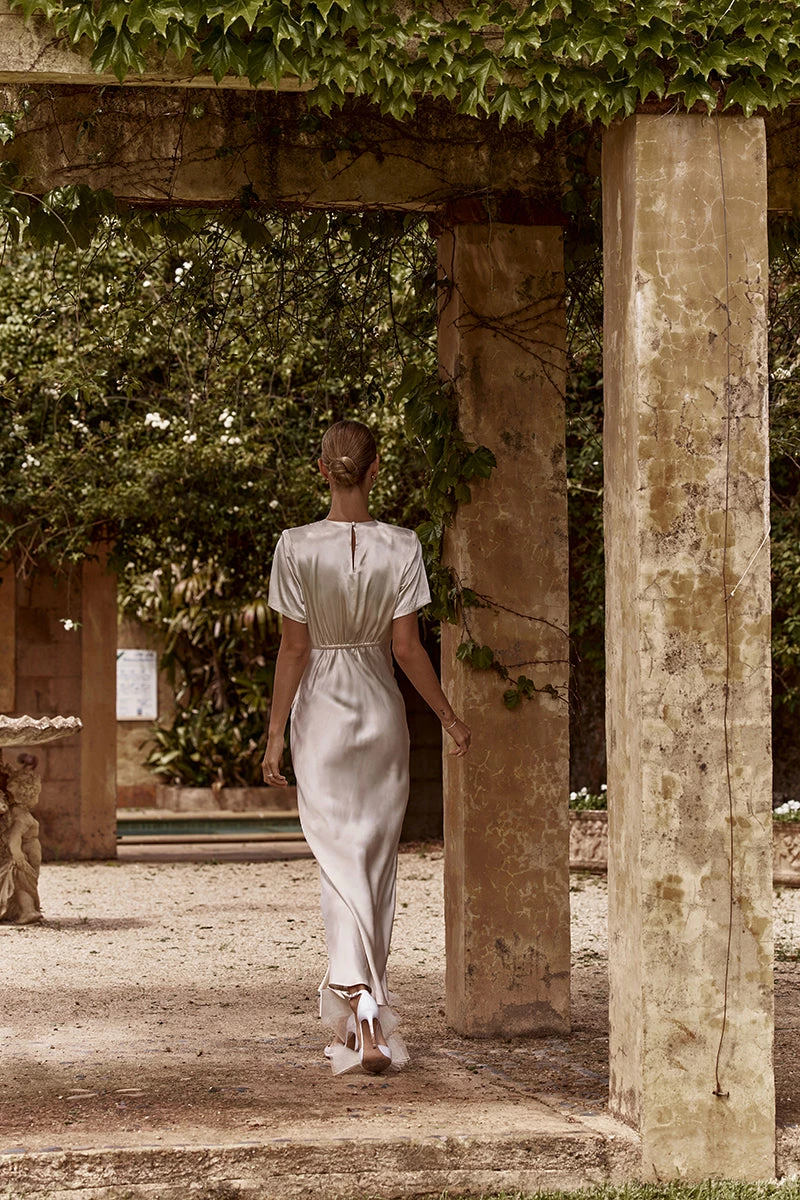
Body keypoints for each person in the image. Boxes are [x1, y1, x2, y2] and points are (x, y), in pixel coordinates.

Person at [262, 418, 470, 1075]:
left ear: (322, 470)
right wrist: (449, 718)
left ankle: (359, 998)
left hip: (321, 713)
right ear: (375, 469)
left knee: (338, 860)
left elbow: (294, 649)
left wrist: (274, 734)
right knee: (375, 863)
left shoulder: (294, 546)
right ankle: (367, 1013)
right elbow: (406, 649)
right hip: (381, 710)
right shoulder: (402, 546)